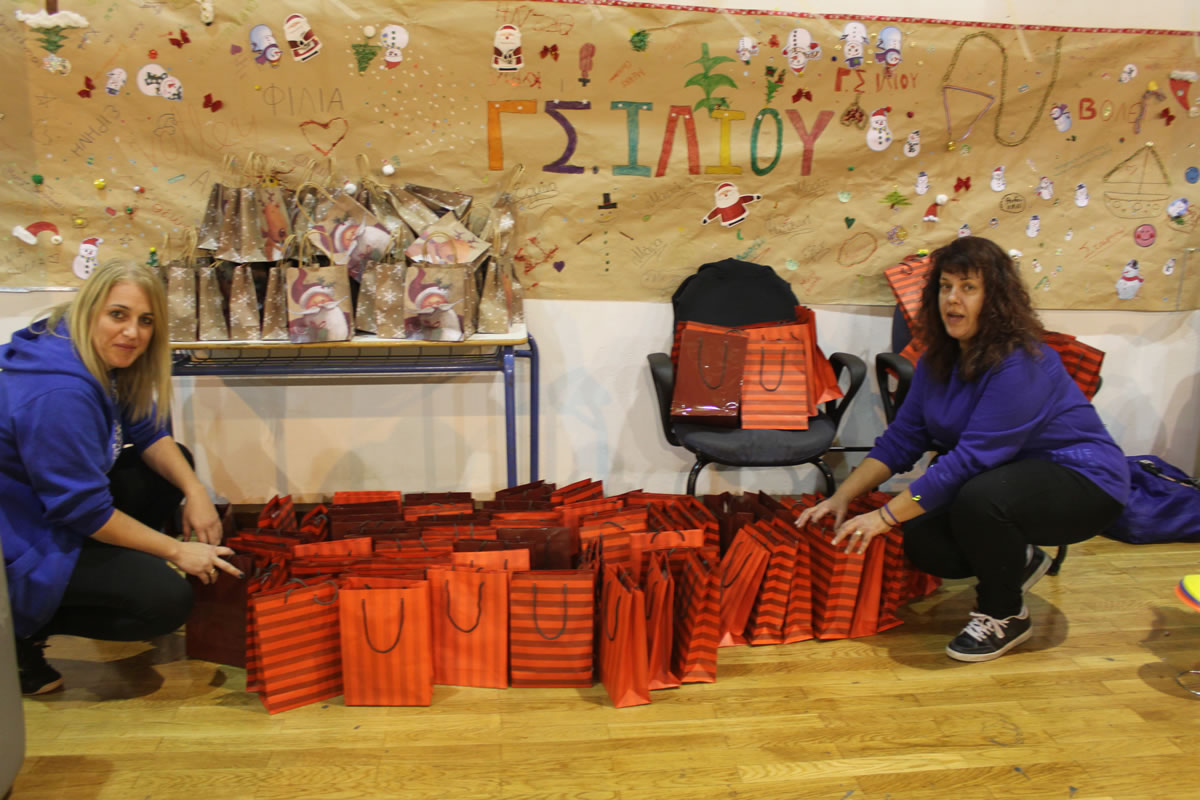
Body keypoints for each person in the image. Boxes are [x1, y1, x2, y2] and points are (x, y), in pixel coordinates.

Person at [797, 236, 1129, 662]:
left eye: (968, 287)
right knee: (923, 540)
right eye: (945, 286)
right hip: (1008, 481)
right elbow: (902, 440)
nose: (952, 299)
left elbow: (970, 462)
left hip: (1084, 482)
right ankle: (1017, 561)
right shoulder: (938, 359)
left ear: (996, 299)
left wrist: (882, 516)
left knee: (978, 496)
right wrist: (842, 495)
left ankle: (1004, 614)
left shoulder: (1022, 362)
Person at [1, 261, 242, 696]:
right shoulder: (60, 393)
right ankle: (18, 632)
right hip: (19, 539)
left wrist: (195, 491)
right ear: (90, 310)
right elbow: (84, 511)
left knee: (175, 467)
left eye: (146, 321)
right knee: (166, 602)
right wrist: (176, 551)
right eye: (118, 315)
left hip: (45, 509)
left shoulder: (87, 348)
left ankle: (100, 574)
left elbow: (147, 431)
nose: (132, 332)